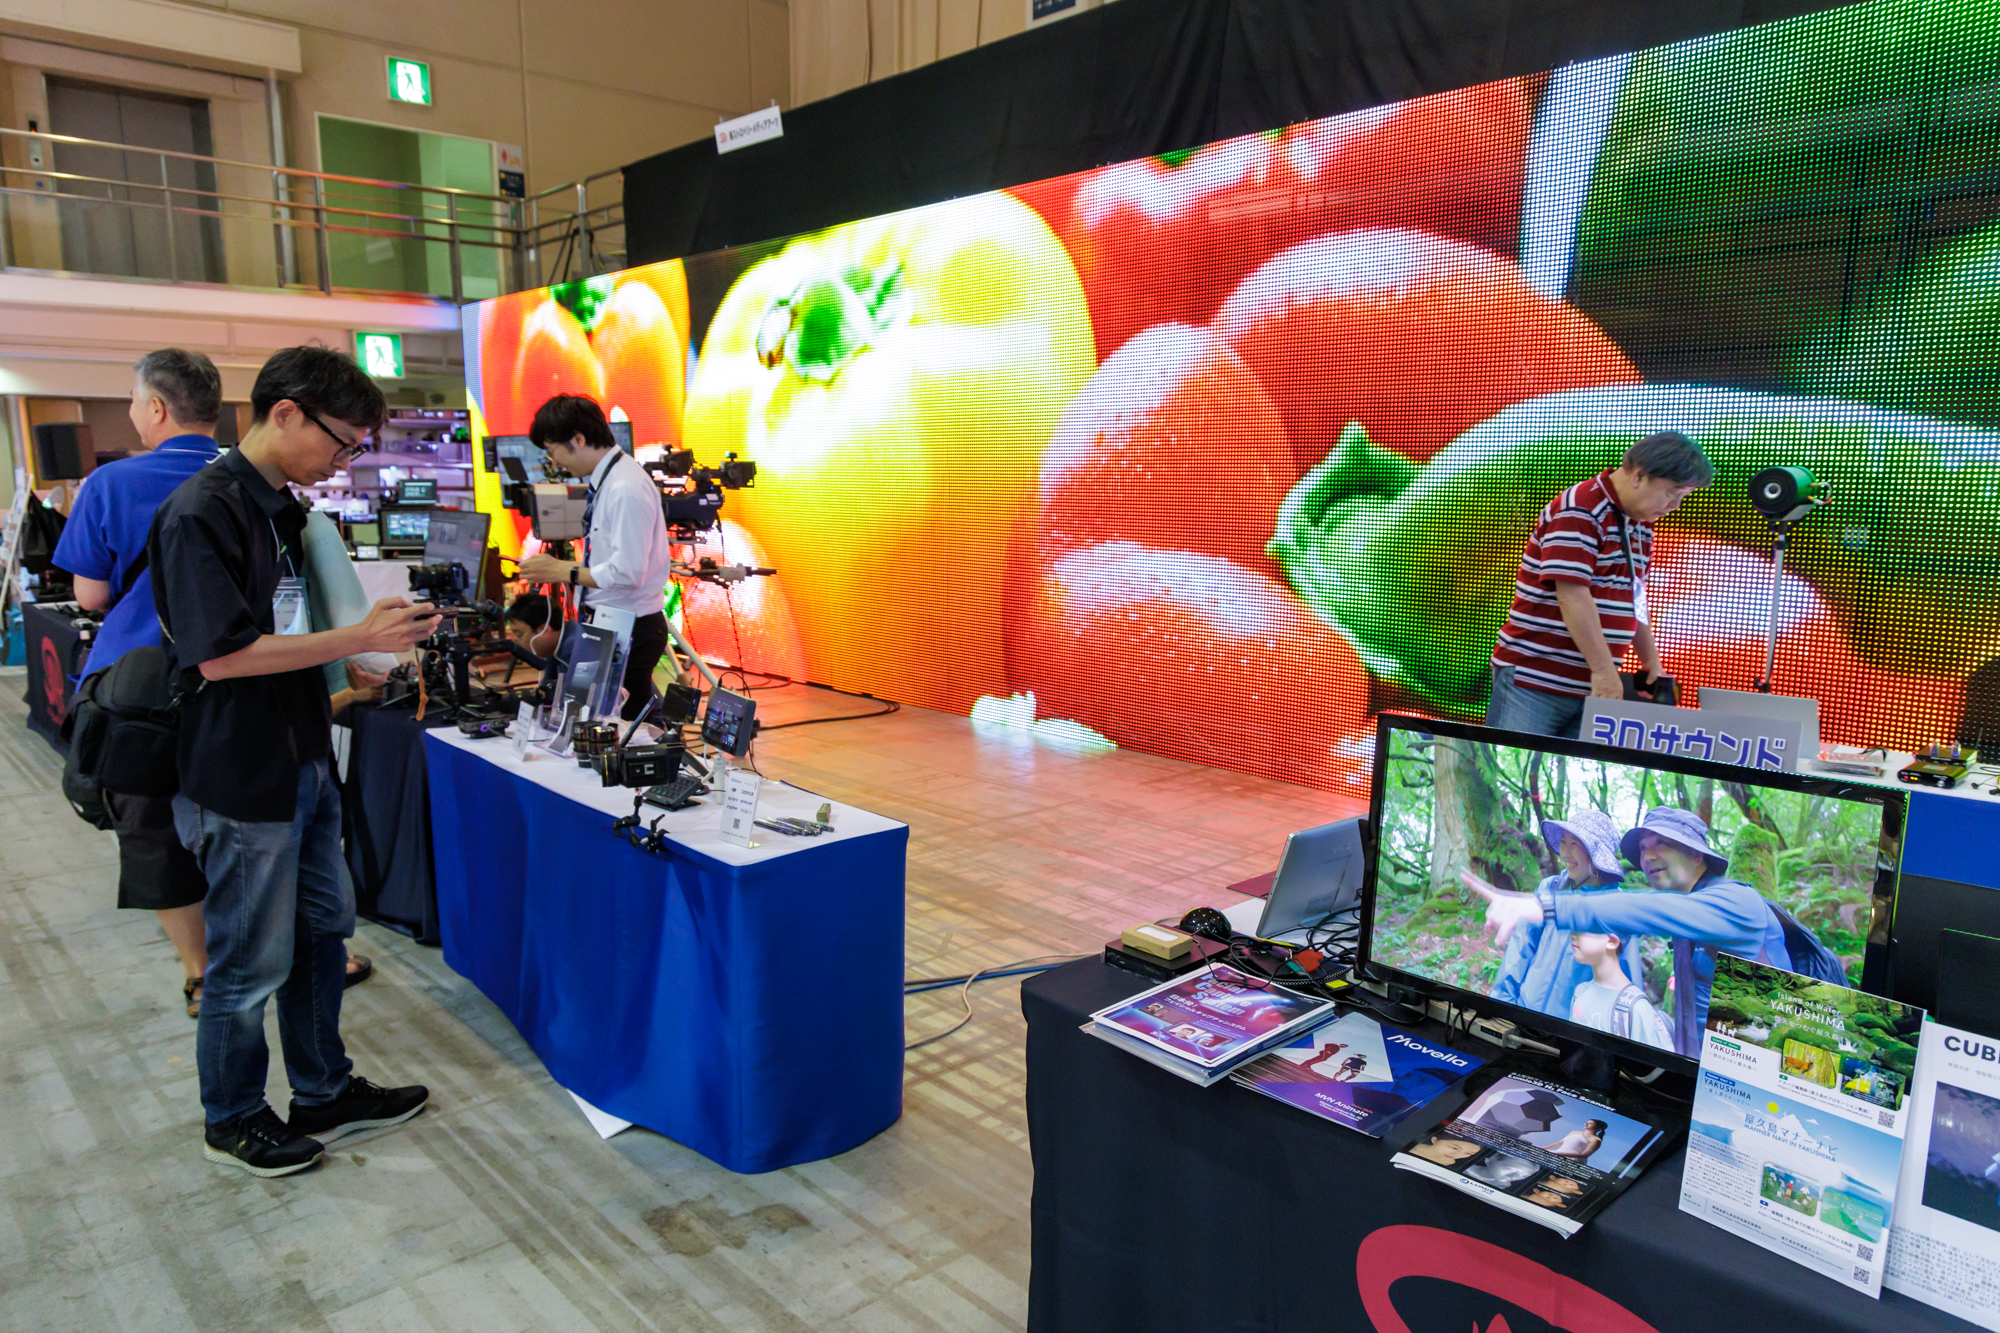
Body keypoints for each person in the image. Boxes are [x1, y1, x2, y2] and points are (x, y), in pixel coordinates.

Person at [149, 344, 439, 1178]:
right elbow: (220, 656)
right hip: (240, 771)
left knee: (320, 933)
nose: (343, 459)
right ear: (285, 413)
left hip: (305, 753)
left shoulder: (283, 509)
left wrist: (346, 666)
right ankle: (234, 1113)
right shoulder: (200, 511)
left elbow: (286, 627)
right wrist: (355, 637)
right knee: (249, 958)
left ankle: (322, 1089)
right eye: (341, 441)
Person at [51, 350, 223, 1019]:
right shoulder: (250, 478)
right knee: (256, 824)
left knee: (152, 830)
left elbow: (91, 595)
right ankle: (296, 950)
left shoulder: (111, 483)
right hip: (239, 681)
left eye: (131, 400)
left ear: (156, 406)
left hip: (141, 689)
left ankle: (200, 972)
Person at [1462, 807, 1830, 1056]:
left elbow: (1648, 913)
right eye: (1643, 848)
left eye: (1661, 844)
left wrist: (1546, 907)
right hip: (1712, 1068)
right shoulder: (1688, 919)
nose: (1648, 855)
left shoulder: (1736, 902)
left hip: (1769, 1069)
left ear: (1697, 854)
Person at [1487, 430, 1714, 738]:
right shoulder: (1581, 508)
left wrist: (1650, 660)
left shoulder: (1641, 524)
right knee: (1514, 759)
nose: (1675, 505)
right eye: (1671, 493)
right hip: (1535, 679)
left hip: (1593, 686)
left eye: (1683, 496)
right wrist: (1604, 669)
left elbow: (1635, 598)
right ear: (1639, 475)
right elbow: (1572, 596)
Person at [515, 395, 673, 721]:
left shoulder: (625, 487)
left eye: (552, 449)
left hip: (630, 627)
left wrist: (564, 571)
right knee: (596, 723)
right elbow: (610, 562)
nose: (553, 460)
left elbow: (628, 573)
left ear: (578, 439)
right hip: (609, 623)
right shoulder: (610, 480)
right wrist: (563, 571)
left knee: (626, 730)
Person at [1466, 810, 1643, 1024]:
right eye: (1563, 842)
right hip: (1523, 1013)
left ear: (1596, 853)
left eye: (1574, 844)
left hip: (1571, 1030)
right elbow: (1522, 947)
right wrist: (1502, 1004)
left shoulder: (1617, 909)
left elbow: (1627, 983)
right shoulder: (1550, 888)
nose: (1564, 853)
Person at [1566, 931, 1675, 1052]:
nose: (1573, 935)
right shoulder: (1580, 992)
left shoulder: (1637, 1008)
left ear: (1612, 941)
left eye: (1584, 928)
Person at [501, 590, 563, 670]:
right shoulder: (553, 653)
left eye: (519, 635)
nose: (516, 641)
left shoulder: (573, 653)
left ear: (543, 630)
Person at [1537, 1119, 1606, 1160]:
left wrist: (1555, 1153)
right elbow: (1560, 1143)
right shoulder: (1574, 1132)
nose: (1586, 1124)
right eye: (1586, 1122)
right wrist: (1544, 1148)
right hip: (1557, 1155)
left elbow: (1584, 1155)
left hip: (1572, 1161)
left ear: (1599, 1128)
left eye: (1590, 1123)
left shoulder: (1596, 1140)